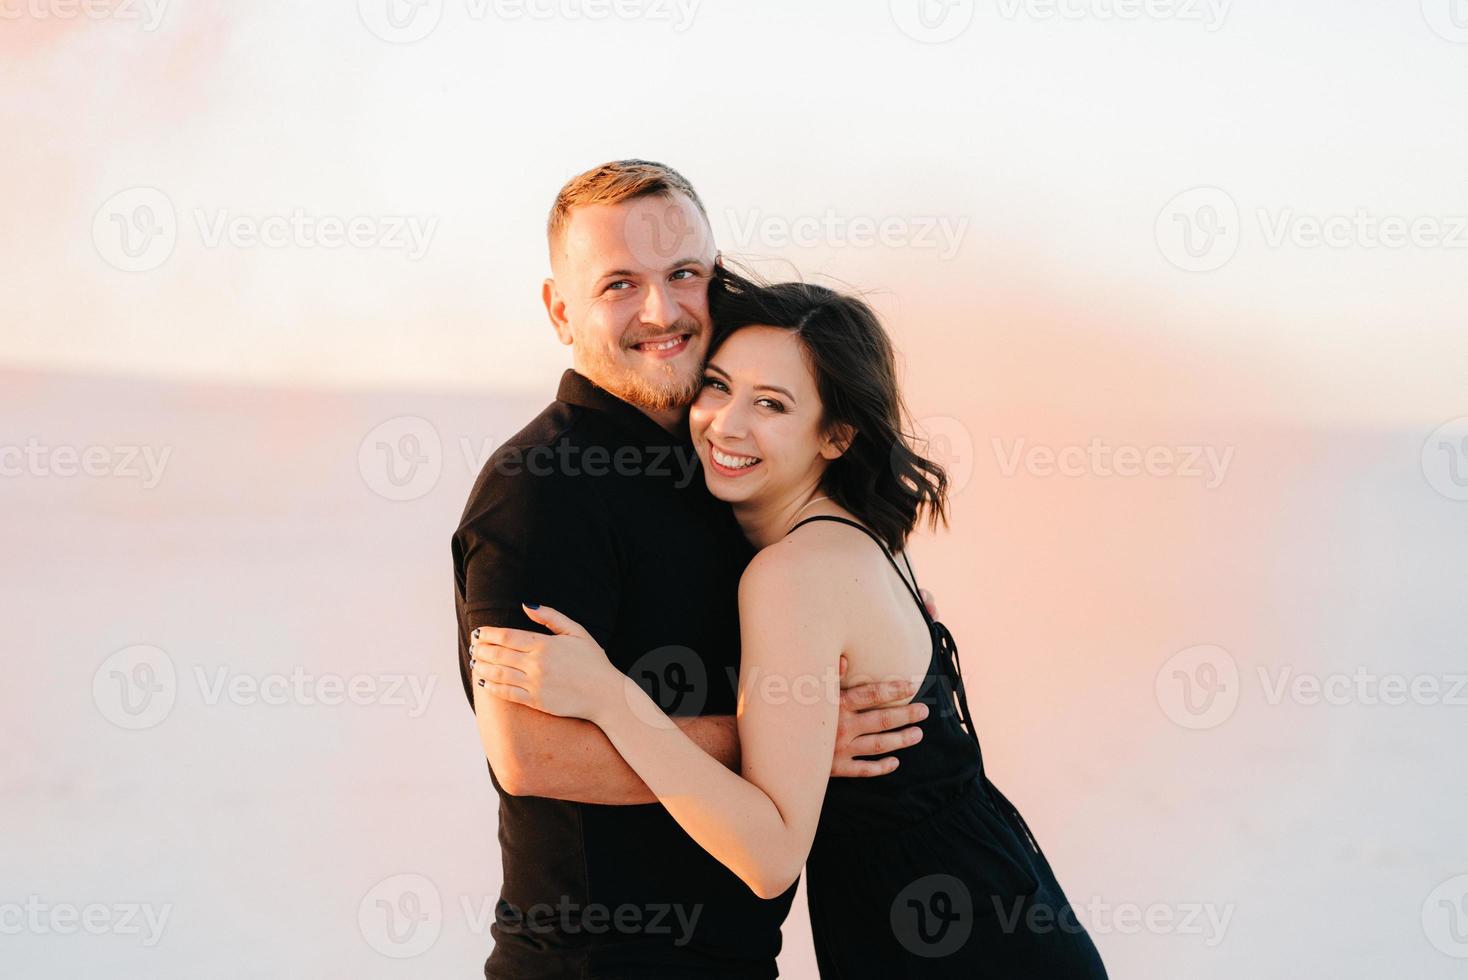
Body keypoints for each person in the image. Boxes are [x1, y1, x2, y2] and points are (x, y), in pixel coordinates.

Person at [470, 267, 1112, 977]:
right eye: (717, 386)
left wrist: (611, 699)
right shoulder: (854, 536)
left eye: (771, 404)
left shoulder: (791, 575)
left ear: (836, 436)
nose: (727, 423)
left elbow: (770, 858)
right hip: (998, 919)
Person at [452, 160, 932, 979]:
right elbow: (531, 753)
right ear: (560, 310)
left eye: (683, 275)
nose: (661, 311)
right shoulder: (540, 486)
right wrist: (779, 743)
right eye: (618, 285)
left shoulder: (723, 464)